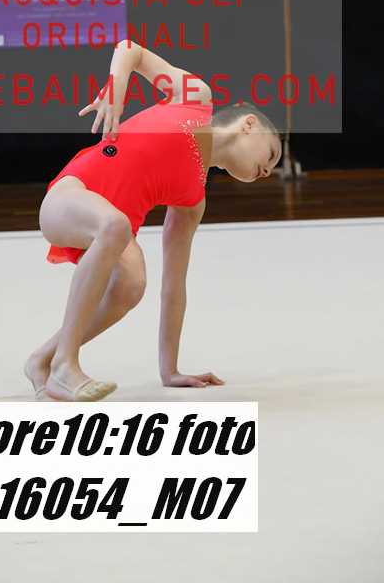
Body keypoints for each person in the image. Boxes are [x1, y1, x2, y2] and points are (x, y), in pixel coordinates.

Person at [25, 40, 282, 402]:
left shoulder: (193, 199)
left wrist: (170, 370)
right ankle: (65, 366)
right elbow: (130, 50)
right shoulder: (196, 98)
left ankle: (43, 360)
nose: (267, 171)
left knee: (132, 284)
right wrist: (116, 91)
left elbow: (174, 286)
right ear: (249, 125)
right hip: (69, 196)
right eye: (270, 154)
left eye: (271, 169)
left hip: (110, 228)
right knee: (115, 226)